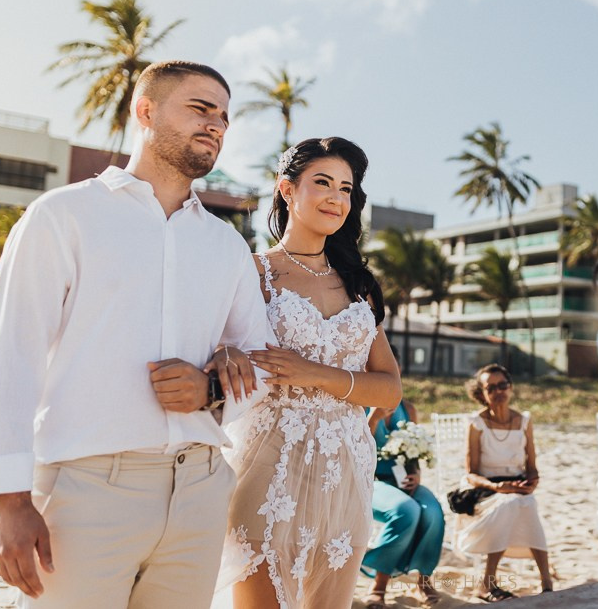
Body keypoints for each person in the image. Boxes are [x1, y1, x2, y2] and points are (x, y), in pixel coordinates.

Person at [0, 60, 271, 607]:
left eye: (225, 118)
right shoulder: (62, 216)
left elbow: (262, 363)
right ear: (145, 110)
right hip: (86, 493)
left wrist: (210, 392)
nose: (216, 126)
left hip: (201, 493)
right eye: (200, 109)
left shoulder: (228, 248)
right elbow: (9, 359)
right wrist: (9, 503)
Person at [219, 137, 402, 608]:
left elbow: (390, 389)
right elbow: (218, 349)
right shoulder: (253, 273)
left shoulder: (357, 284)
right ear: (286, 189)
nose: (336, 198)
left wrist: (312, 373)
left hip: (346, 464)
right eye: (322, 183)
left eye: (346, 188)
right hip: (270, 458)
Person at [456, 364, 552, 602]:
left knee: (527, 502)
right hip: (485, 489)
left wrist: (532, 482)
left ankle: (546, 582)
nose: (498, 391)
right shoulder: (476, 423)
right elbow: (471, 474)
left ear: (511, 387)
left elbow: (532, 467)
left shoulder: (523, 421)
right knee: (510, 503)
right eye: (491, 387)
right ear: (482, 394)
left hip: (516, 487)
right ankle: (487, 583)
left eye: (503, 385)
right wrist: (497, 487)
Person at [361, 400, 445, 608]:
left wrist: (416, 475)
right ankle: (379, 586)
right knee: (406, 510)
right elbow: (358, 449)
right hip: (370, 482)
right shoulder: (361, 405)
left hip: (403, 480)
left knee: (433, 511)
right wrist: (374, 418)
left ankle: (423, 581)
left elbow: (415, 450)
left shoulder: (408, 409)